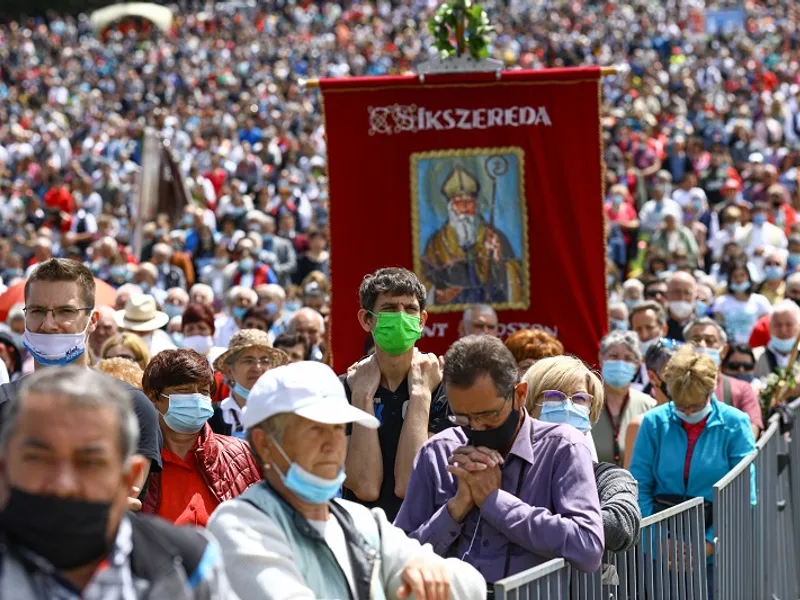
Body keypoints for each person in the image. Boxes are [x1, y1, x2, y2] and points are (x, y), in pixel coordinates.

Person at [207, 361, 485, 600]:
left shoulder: (360, 522)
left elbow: (471, 586)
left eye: (339, 428)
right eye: (314, 430)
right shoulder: (240, 525)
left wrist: (430, 573)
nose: (332, 444)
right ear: (265, 444)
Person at [0, 367, 235, 598]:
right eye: (39, 459)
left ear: (130, 477)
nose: (63, 484)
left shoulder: (186, 564)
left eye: (90, 462)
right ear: (4, 469)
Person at [394, 336, 604, 584]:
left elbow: (588, 546)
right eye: (462, 418)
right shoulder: (438, 452)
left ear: (520, 395)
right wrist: (456, 508)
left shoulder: (562, 448)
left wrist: (495, 501)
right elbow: (401, 559)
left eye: (488, 415)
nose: (477, 427)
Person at [0, 258, 162, 506]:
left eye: (65, 311)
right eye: (37, 311)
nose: (49, 324)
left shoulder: (132, 407)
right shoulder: (3, 403)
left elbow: (124, 502)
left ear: (92, 320)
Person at [629, 345, 756, 598]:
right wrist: (658, 543)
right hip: (660, 554)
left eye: (695, 406)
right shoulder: (653, 422)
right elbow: (638, 486)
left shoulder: (735, 423)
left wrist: (710, 543)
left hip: (717, 556)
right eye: (680, 405)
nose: (687, 412)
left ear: (711, 392)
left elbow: (744, 495)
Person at [341, 267, 448, 521]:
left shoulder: (444, 388)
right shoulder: (344, 388)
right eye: (389, 309)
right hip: (363, 535)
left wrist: (421, 394)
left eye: (409, 309)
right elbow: (365, 486)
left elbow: (411, 483)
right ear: (367, 320)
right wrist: (362, 398)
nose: (401, 316)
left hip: (426, 535)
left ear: (422, 320)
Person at [524, 355, 641, 552]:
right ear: (528, 404)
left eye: (579, 399)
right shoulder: (509, 464)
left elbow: (621, 526)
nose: (568, 406)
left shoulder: (607, 476)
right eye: (554, 396)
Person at [141, 349, 261, 526]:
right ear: (154, 396)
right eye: (183, 391)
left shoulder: (240, 454)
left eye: (204, 392)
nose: (196, 399)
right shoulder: (139, 460)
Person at [683, 317, 763, 437]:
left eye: (710, 340)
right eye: (695, 340)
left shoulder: (742, 389)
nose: (702, 345)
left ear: (724, 350)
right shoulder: (673, 386)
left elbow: (752, 429)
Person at [210, 329, 288, 437]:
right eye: (248, 360)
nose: (257, 368)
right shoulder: (211, 417)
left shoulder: (283, 414)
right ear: (230, 371)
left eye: (264, 361)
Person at [594, 331, 656, 466]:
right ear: (601, 358)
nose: (620, 363)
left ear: (638, 365)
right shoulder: (586, 404)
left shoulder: (650, 407)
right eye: (614, 356)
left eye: (628, 358)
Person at [623, 338, 679, 469]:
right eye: (672, 371)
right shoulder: (641, 426)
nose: (681, 377)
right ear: (653, 377)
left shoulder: (702, 420)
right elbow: (632, 484)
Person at [712, 260, 772, 344]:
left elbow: (766, 327)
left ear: (748, 277)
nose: (739, 279)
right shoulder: (721, 301)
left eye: (742, 275)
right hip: (729, 347)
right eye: (735, 276)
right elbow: (718, 327)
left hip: (755, 346)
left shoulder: (760, 300)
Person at [629, 300, 669, 391]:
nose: (644, 335)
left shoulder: (676, 364)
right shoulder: (626, 368)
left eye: (649, 328)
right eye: (638, 329)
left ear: (664, 329)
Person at [754, 300, 800, 379]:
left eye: (789, 325)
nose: (783, 330)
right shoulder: (755, 356)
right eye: (778, 325)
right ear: (770, 327)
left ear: (798, 326)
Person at [665, 271, 697, 341]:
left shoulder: (703, 329)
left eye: (687, 293)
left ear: (695, 295)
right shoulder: (658, 328)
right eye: (676, 292)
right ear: (667, 294)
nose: (682, 297)